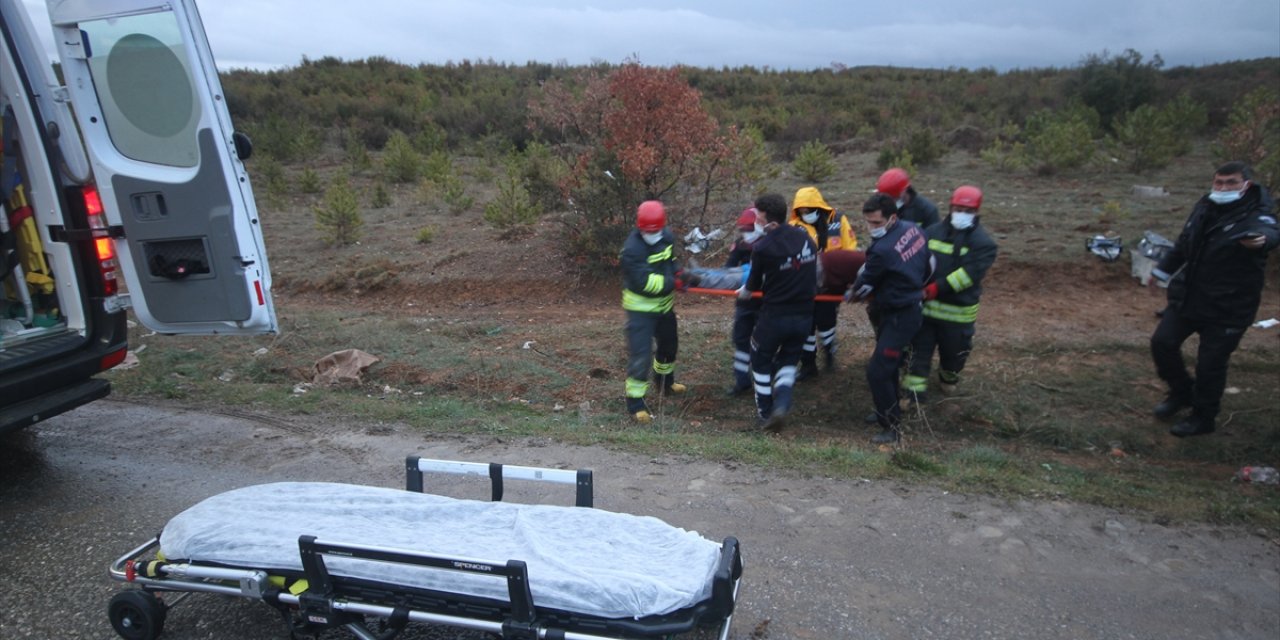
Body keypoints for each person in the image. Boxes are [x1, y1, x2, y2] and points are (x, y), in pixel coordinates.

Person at [1149, 161, 1278, 437]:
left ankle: (1203, 417)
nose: (1222, 188)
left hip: (1229, 305)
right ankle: (1182, 392)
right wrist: (1162, 270)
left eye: (1230, 182)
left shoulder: (1257, 214)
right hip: (1190, 296)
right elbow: (1185, 242)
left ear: (1246, 185)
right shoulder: (1205, 206)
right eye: (1218, 182)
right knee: (1162, 343)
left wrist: (1261, 241)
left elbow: (1268, 233)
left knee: (1210, 364)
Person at [848, 194, 933, 444]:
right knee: (890, 366)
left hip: (900, 314)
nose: (871, 228)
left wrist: (851, 293)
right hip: (906, 305)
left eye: (876, 223)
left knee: (877, 370)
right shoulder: (914, 230)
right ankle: (885, 407)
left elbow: (864, 286)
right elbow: (928, 264)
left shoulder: (882, 250)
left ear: (892, 218)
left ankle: (892, 427)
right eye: (868, 222)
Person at [903, 185, 998, 404]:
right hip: (926, 311)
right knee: (918, 354)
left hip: (957, 314)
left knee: (954, 355)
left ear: (976, 212)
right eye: (958, 208)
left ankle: (948, 376)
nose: (962, 214)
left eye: (968, 210)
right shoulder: (932, 232)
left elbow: (968, 275)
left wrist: (936, 288)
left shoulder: (984, 244)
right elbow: (918, 259)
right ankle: (913, 396)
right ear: (951, 207)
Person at [738, 193, 818, 432]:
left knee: (760, 361)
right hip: (804, 317)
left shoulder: (763, 248)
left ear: (770, 222)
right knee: (788, 362)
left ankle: (765, 414)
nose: (756, 223)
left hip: (775, 316)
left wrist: (743, 293)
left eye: (759, 219)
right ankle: (782, 404)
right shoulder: (806, 240)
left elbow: (752, 286)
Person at [620, 200, 693, 423]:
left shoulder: (666, 237)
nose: (652, 234)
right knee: (641, 355)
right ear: (639, 227)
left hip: (665, 307)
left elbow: (669, 262)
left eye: (656, 230)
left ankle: (665, 383)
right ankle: (635, 402)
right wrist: (674, 282)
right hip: (640, 311)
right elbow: (645, 283)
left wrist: (679, 273)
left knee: (669, 347)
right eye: (647, 231)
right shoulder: (631, 251)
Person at [788, 186, 858, 379]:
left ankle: (829, 352)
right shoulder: (795, 227)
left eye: (808, 210)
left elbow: (850, 249)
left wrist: (845, 275)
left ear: (818, 207)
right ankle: (808, 364)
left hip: (831, 282)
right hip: (804, 283)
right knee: (806, 325)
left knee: (826, 321)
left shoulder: (838, 221)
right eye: (801, 211)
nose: (805, 214)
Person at [726, 207, 764, 396]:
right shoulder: (740, 245)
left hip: (765, 303)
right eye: (743, 230)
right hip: (745, 302)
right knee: (740, 340)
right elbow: (729, 270)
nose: (746, 234)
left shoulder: (770, 244)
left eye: (749, 230)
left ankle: (764, 380)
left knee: (764, 343)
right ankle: (742, 381)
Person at [877, 167, 941, 229]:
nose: (891, 202)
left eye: (894, 198)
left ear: (905, 190)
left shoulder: (927, 210)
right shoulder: (883, 206)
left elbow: (933, 235)